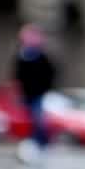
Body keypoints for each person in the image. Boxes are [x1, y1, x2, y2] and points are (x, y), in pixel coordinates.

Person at [14, 24, 56, 159]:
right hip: (25, 93)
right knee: (27, 120)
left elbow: (50, 73)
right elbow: (17, 74)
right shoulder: (22, 56)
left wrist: (44, 89)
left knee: (37, 120)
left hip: (37, 93)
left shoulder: (42, 57)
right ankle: (30, 144)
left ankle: (41, 144)